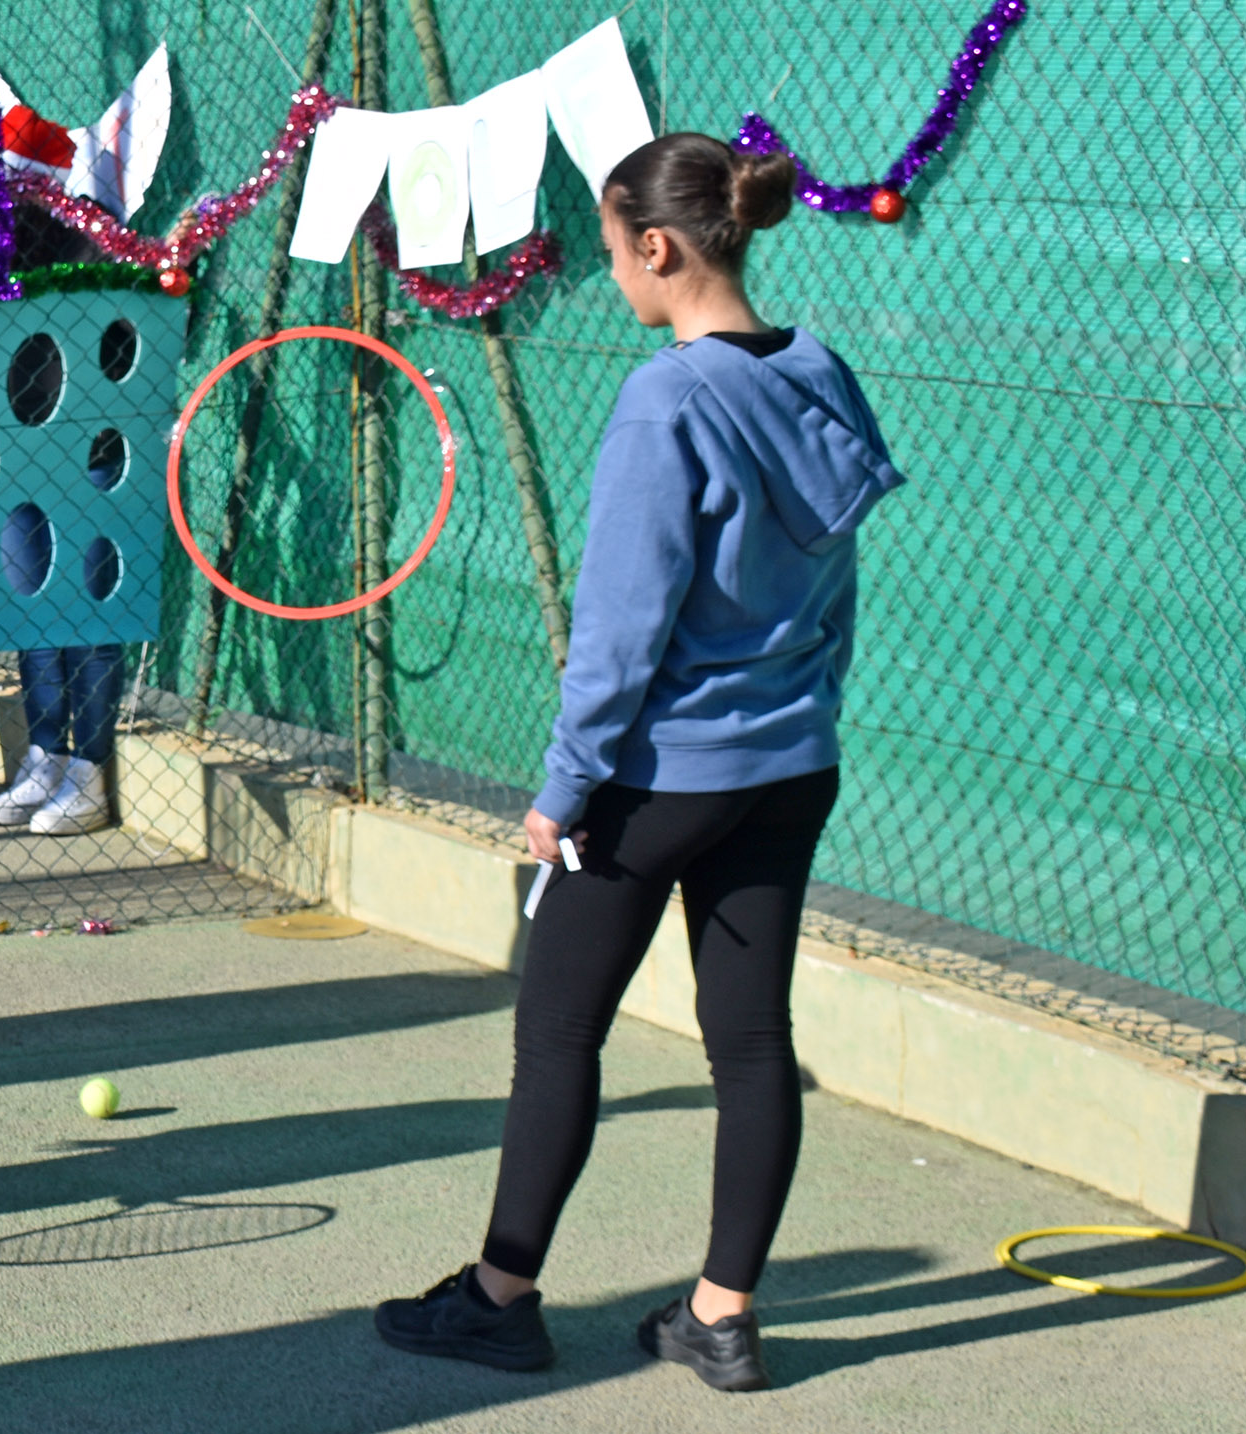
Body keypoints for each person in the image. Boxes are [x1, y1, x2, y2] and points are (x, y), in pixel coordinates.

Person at [374, 134, 905, 1392]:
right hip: (789, 764)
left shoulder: (664, 399)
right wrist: (802, 712)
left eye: (612, 252)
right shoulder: (818, 370)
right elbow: (836, 589)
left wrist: (564, 788)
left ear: (656, 249)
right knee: (751, 1042)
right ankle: (718, 1317)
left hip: (662, 780)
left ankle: (499, 1298)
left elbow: (619, 632)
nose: (613, 274)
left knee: (556, 1030)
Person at [0, 104, 127, 837]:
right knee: (34, 613)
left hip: (85, 463)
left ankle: (88, 772)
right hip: (16, 465)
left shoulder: (94, 251)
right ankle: (44, 758)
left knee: (87, 616)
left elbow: (117, 357)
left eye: (10, 187)